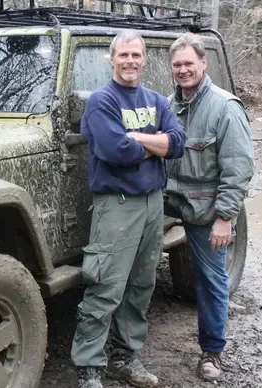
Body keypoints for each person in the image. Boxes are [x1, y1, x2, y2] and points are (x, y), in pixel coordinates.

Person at [72, 30, 186, 388]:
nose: (131, 61)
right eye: (124, 55)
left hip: (154, 203)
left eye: (136, 55)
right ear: (112, 58)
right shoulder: (101, 101)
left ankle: (126, 357)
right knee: (105, 286)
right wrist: (156, 144)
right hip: (117, 205)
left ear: (144, 58)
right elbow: (115, 151)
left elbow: (179, 142)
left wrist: (136, 138)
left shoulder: (156, 100)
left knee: (141, 284)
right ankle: (89, 368)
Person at [163, 33, 254, 382]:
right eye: (177, 65)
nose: (183, 70)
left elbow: (238, 168)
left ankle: (212, 352)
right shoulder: (169, 105)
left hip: (206, 211)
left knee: (212, 280)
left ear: (204, 63)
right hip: (169, 202)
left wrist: (225, 218)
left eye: (189, 63)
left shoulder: (225, 107)